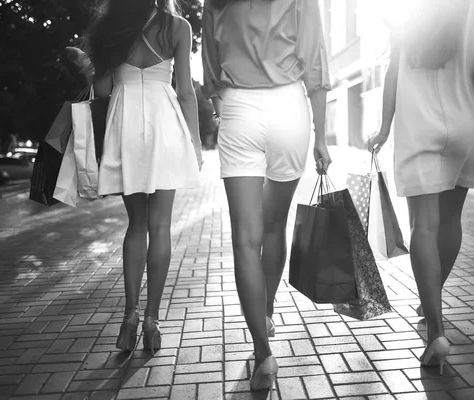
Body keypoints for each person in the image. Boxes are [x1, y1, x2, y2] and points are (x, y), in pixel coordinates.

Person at [368, 0, 474, 374]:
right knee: (450, 222)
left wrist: (384, 129)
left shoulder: (410, 11)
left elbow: (393, 72)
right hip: (465, 122)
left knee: (424, 226)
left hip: (419, 125)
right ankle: (431, 301)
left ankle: (436, 329)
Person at [201, 0, 332, 394]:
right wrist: (321, 137)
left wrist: (223, 105)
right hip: (290, 107)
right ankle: (268, 308)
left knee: (245, 238)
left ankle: (263, 352)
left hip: (239, 107)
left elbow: (210, 68)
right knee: (274, 224)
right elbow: (316, 65)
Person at [85, 0, 203, 353]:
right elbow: (185, 92)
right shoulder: (177, 26)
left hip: (125, 124)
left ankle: (130, 315)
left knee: (136, 224)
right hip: (164, 122)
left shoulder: (108, 27)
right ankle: (152, 319)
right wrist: (194, 141)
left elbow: (103, 91)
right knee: (160, 225)